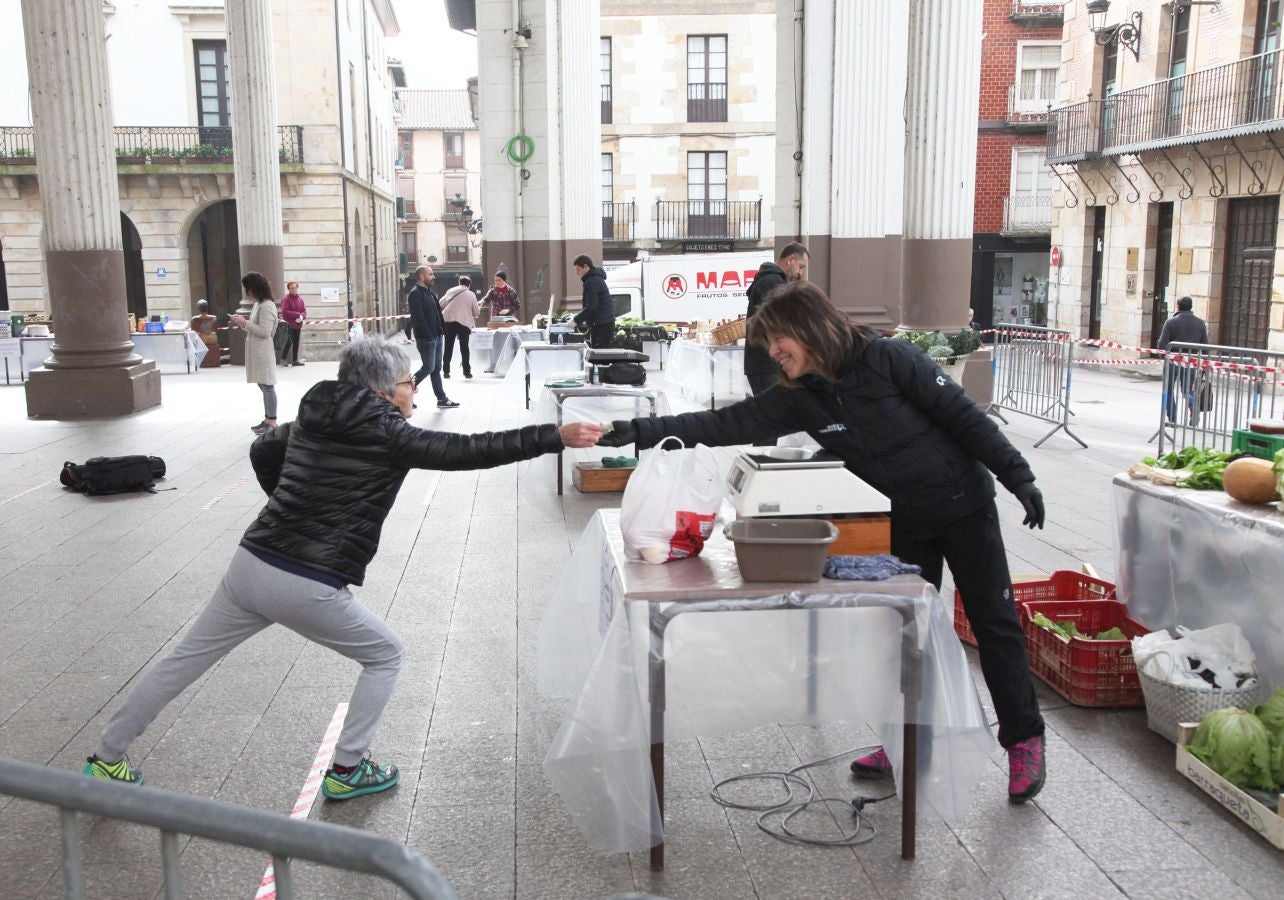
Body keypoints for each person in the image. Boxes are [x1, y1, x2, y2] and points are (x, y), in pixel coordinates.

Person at [80, 337, 603, 798]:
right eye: (408, 382)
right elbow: (469, 451)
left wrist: (286, 505)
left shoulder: (314, 411)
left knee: (184, 660)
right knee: (386, 656)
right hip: (306, 581)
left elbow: (263, 447)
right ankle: (349, 769)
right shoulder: (389, 433)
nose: (414, 391)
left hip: (252, 562)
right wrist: (554, 436)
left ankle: (106, 757)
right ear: (382, 390)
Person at [598, 282, 1049, 803]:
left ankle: (1024, 740)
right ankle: (906, 739)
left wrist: (1020, 478)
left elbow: (966, 420)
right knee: (906, 633)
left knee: (994, 622)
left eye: (777, 340)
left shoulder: (888, 359)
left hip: (963, 506)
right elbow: (722, 423)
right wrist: (634, 430)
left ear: (808, 329)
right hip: (901, 520)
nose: (772, 353)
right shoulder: (799, 397)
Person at [744, 242, 809, 396]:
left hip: (766, 362)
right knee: (771, 415)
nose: (800, 272)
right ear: (791, 259)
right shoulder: (772, 283)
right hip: (767, 363)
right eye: (801, 266)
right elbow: (781, 321)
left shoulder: (771, 281)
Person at [229, 272, 279, 434]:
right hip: (256, 349)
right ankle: (267, 418)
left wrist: (245, 323)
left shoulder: (267, 305)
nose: (247, 292)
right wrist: (244, 324)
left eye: (248, 288)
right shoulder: (259, 304)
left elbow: (265, 331)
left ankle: (272, 420)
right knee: (263, 384)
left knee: (267, 385)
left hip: (263, 350)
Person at [408, 266, 458, 409]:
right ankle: (403, 393)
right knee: (427, 368)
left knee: (435, 368)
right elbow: (418, 318)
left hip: (437, 337)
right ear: (422, 276)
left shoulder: (429, 292)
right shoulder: (415, 294)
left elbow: (437, 312)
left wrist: (442, 329)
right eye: (430, 274)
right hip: (426, 338)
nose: (433, 276)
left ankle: (441, 399)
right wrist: (429, 336)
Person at [1156, 296, 1209, 423]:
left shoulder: (1171, 322)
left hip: (1172, 361)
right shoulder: (1200, 323)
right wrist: (1205, 363)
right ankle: (1193, 406)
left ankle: (1172, 417)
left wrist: (1163, 356)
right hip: (1190, 361)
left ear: (1178, 306)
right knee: (1187, 390)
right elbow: (1205, 345)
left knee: (1168, 389)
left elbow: (1162, 344)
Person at [439, 275, 481, 380]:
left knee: (448, 347)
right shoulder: (471, 294)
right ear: (469, 285)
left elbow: (441, 303)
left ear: (459, 283)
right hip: (464, 323)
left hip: (449, 321)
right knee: (464, 348)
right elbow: (476, 312)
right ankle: (467, 372)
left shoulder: (451, 290)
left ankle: (446, 371)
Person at [572, 254, 614, 348]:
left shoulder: (592, 281)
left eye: (578, 269)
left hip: (602, 324)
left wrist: (576, 320)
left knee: (601, 354)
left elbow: (592, 306)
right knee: (601, 352)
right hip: (602, 322)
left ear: (586, 267)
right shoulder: (593, 279)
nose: (577, 273)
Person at [279, 281, 307, 366]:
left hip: (298, 324)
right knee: (289, 342)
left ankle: (295, 360)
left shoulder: (300, 299)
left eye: (295, 288)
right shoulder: (286, 299)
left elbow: (304, 310)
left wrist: (302, 316)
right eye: (292, 288)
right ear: (289, 289)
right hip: (289, 324)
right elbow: (285, 311)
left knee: (296, 342)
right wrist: (298, 315)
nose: (294, 289)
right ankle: (283, 359)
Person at [191, 299, 221, 368]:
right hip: (213, 338)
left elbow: (193, 332)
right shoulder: (214, 318)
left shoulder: (194, 319)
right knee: (213, 334)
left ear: (199, 308)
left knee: (196, 337)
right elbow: (216, 330)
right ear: (207, 308)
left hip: (202, 339)